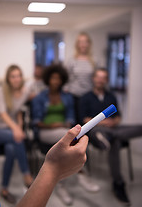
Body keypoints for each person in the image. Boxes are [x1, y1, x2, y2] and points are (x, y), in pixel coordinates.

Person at [31, 64, 99, 205]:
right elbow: (36, 122)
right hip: (45, 131)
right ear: (47, 79)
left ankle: (61, 184)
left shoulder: (67, 97)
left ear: (62, 80)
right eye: (53, 78)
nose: (55, 81)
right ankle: (81, 174)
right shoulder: (40, 97)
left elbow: (71, 118)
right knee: (70, 139)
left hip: (64, 130)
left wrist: (65, 124)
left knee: (69, 140)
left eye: (58, 79)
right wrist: (53, 125)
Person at [80, 67, 142, 205]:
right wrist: (101, 122)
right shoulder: (85, 97)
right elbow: (83, 119)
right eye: (98, 76)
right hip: (96, 130)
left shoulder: (111, 96)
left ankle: (109, 139)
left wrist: (114, 121)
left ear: (106, 80)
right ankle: (118, 183)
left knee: (134, 129)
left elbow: (118, 116)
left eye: (104, 77)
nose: (101, 80)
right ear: (93, 78)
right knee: (102, 133)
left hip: (113, 129)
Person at [0, 65, 33, 204]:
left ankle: (4, 189)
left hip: (9, 130)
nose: (16, 79)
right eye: (13, 76)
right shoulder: (1, 90)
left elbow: (18, 111)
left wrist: (19, 126)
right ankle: (27, 175)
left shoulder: (24, 91)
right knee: (16, 138)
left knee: (11, 148)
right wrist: (16, 130)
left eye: (18, 75)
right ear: (8, 78)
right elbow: (3, 113)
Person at [64, 32, 95, 123]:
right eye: (81, 42)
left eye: (85, 42)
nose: (83, 44)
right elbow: (66, 78)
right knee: (76, 123)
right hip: (74, 96)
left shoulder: (94, 60)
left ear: (89, 44)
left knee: (88, 122)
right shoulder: (71, 60)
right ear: (77, 44)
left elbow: (96, 78)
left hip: (89, 96)